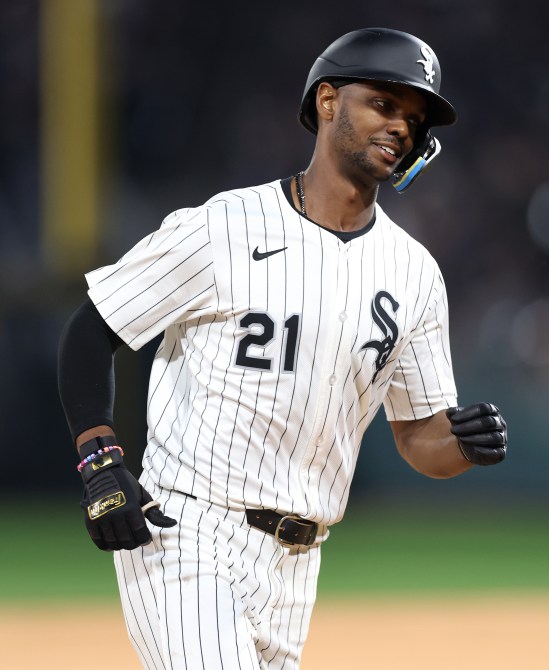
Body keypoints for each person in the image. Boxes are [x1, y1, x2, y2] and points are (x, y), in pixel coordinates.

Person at [58, 27, 507, 670]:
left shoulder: (415, 274)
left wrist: (463, 446)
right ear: (328, 101)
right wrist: (100, 462)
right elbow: (91, 329)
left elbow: (419, 438)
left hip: (299, 562)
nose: (401, 126)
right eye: (383, 103)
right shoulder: (223, 228)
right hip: (187, 533)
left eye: (415, 117)